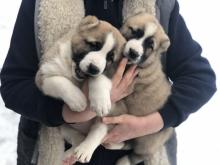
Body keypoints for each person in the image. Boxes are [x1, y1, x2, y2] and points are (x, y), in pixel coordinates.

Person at [0, 0, 216, 165]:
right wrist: (68, 112)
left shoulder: (158, 5)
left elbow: (201, 79)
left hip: (137, 154)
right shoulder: (41, 4)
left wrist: (147, 124)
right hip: (53, 153)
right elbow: (14, 84)